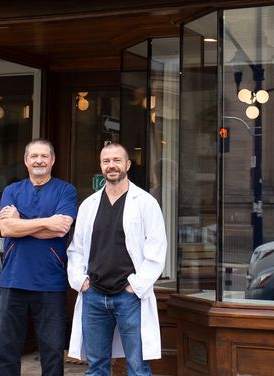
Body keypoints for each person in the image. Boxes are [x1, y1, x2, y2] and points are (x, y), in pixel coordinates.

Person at [67, 143, 167, 376]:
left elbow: (157, 249)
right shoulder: (89, 205)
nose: (111, 165)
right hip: (94, 295)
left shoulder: (145, 202)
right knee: (96, 367)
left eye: (117, 160)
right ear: (101, 166)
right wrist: (80, 281)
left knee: (138, 367)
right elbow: (76, 249)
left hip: (129, 297)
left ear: (127, 165)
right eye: (106, 161)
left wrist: (135, 285)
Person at [0, 139, 77, 376]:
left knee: (52, 351)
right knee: (7, 349)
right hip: (13, 279)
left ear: (52, 160)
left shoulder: (66, 190)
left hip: (50, 281)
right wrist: (46, 221)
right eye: (34, 156)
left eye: (44, 156)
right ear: (26, 161)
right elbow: (6, 229)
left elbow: (61, 229)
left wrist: (20, 220)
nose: (39, 160)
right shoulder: (12, 190)